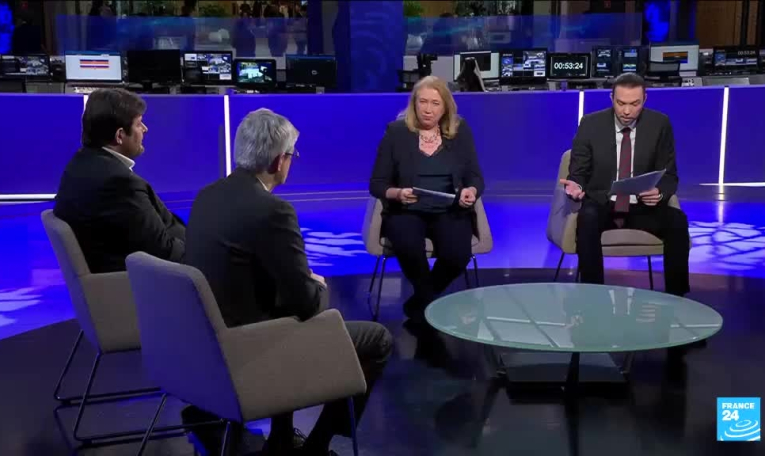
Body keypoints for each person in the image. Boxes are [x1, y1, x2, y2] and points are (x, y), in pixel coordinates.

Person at [184, 108, 392, 456]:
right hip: (249, 350)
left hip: (206, 342)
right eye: (292, 155)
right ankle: (317, 447)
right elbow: (307, 305)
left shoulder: (208, 195)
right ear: (279, 161)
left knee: (283, 311)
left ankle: (281, 439)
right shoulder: (274, 212)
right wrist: (318, 284)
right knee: (377, 339)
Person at [559, 73, 690, 297]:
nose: (627, 111)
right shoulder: (590, 124)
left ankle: (677, 298)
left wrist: (659, 193)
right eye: (621, 103)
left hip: (642, 207)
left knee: (677, 221)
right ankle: (593, 296)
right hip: (602, 204)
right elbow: (578, 172)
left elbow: (669, 175)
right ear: (612, 98)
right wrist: (576, 188)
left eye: (634, 104)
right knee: (587, 217)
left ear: (644, 99)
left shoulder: (659, 124)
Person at [370, 76, 485, 321]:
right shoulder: (396, 133)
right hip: (406, 211)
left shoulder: (459, 132)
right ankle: (430, 308)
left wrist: (471, 192)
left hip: (450, 209)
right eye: (423, 102)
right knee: (410, 248)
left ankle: (420, 303)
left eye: (435, 103)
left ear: (445, 107)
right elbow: (377, 184)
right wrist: (398, 193)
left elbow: (476, 177)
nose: (428, 109)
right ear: (414, 103)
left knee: (457, 255)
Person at [53, 89, 186, 273]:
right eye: (139, 124)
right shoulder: (119, 184)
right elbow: (165, 252)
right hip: (138, 282)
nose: (145, 129)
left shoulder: (80, 164)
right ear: (120, 135)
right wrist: (203, 250)